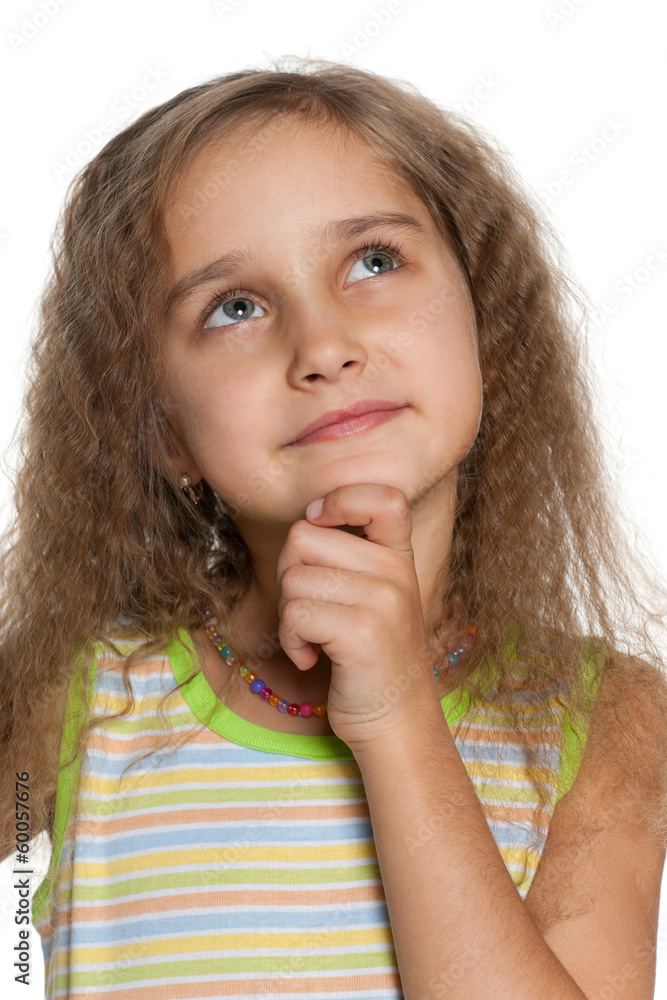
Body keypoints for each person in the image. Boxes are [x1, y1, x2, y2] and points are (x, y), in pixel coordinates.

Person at [1, 55, 666, 999]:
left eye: (373, 261)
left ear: (487, 322)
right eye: (234, 308)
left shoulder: (603, 722)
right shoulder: (72, 702)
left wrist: (395, 711)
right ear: (162, 431)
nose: (321, 346)